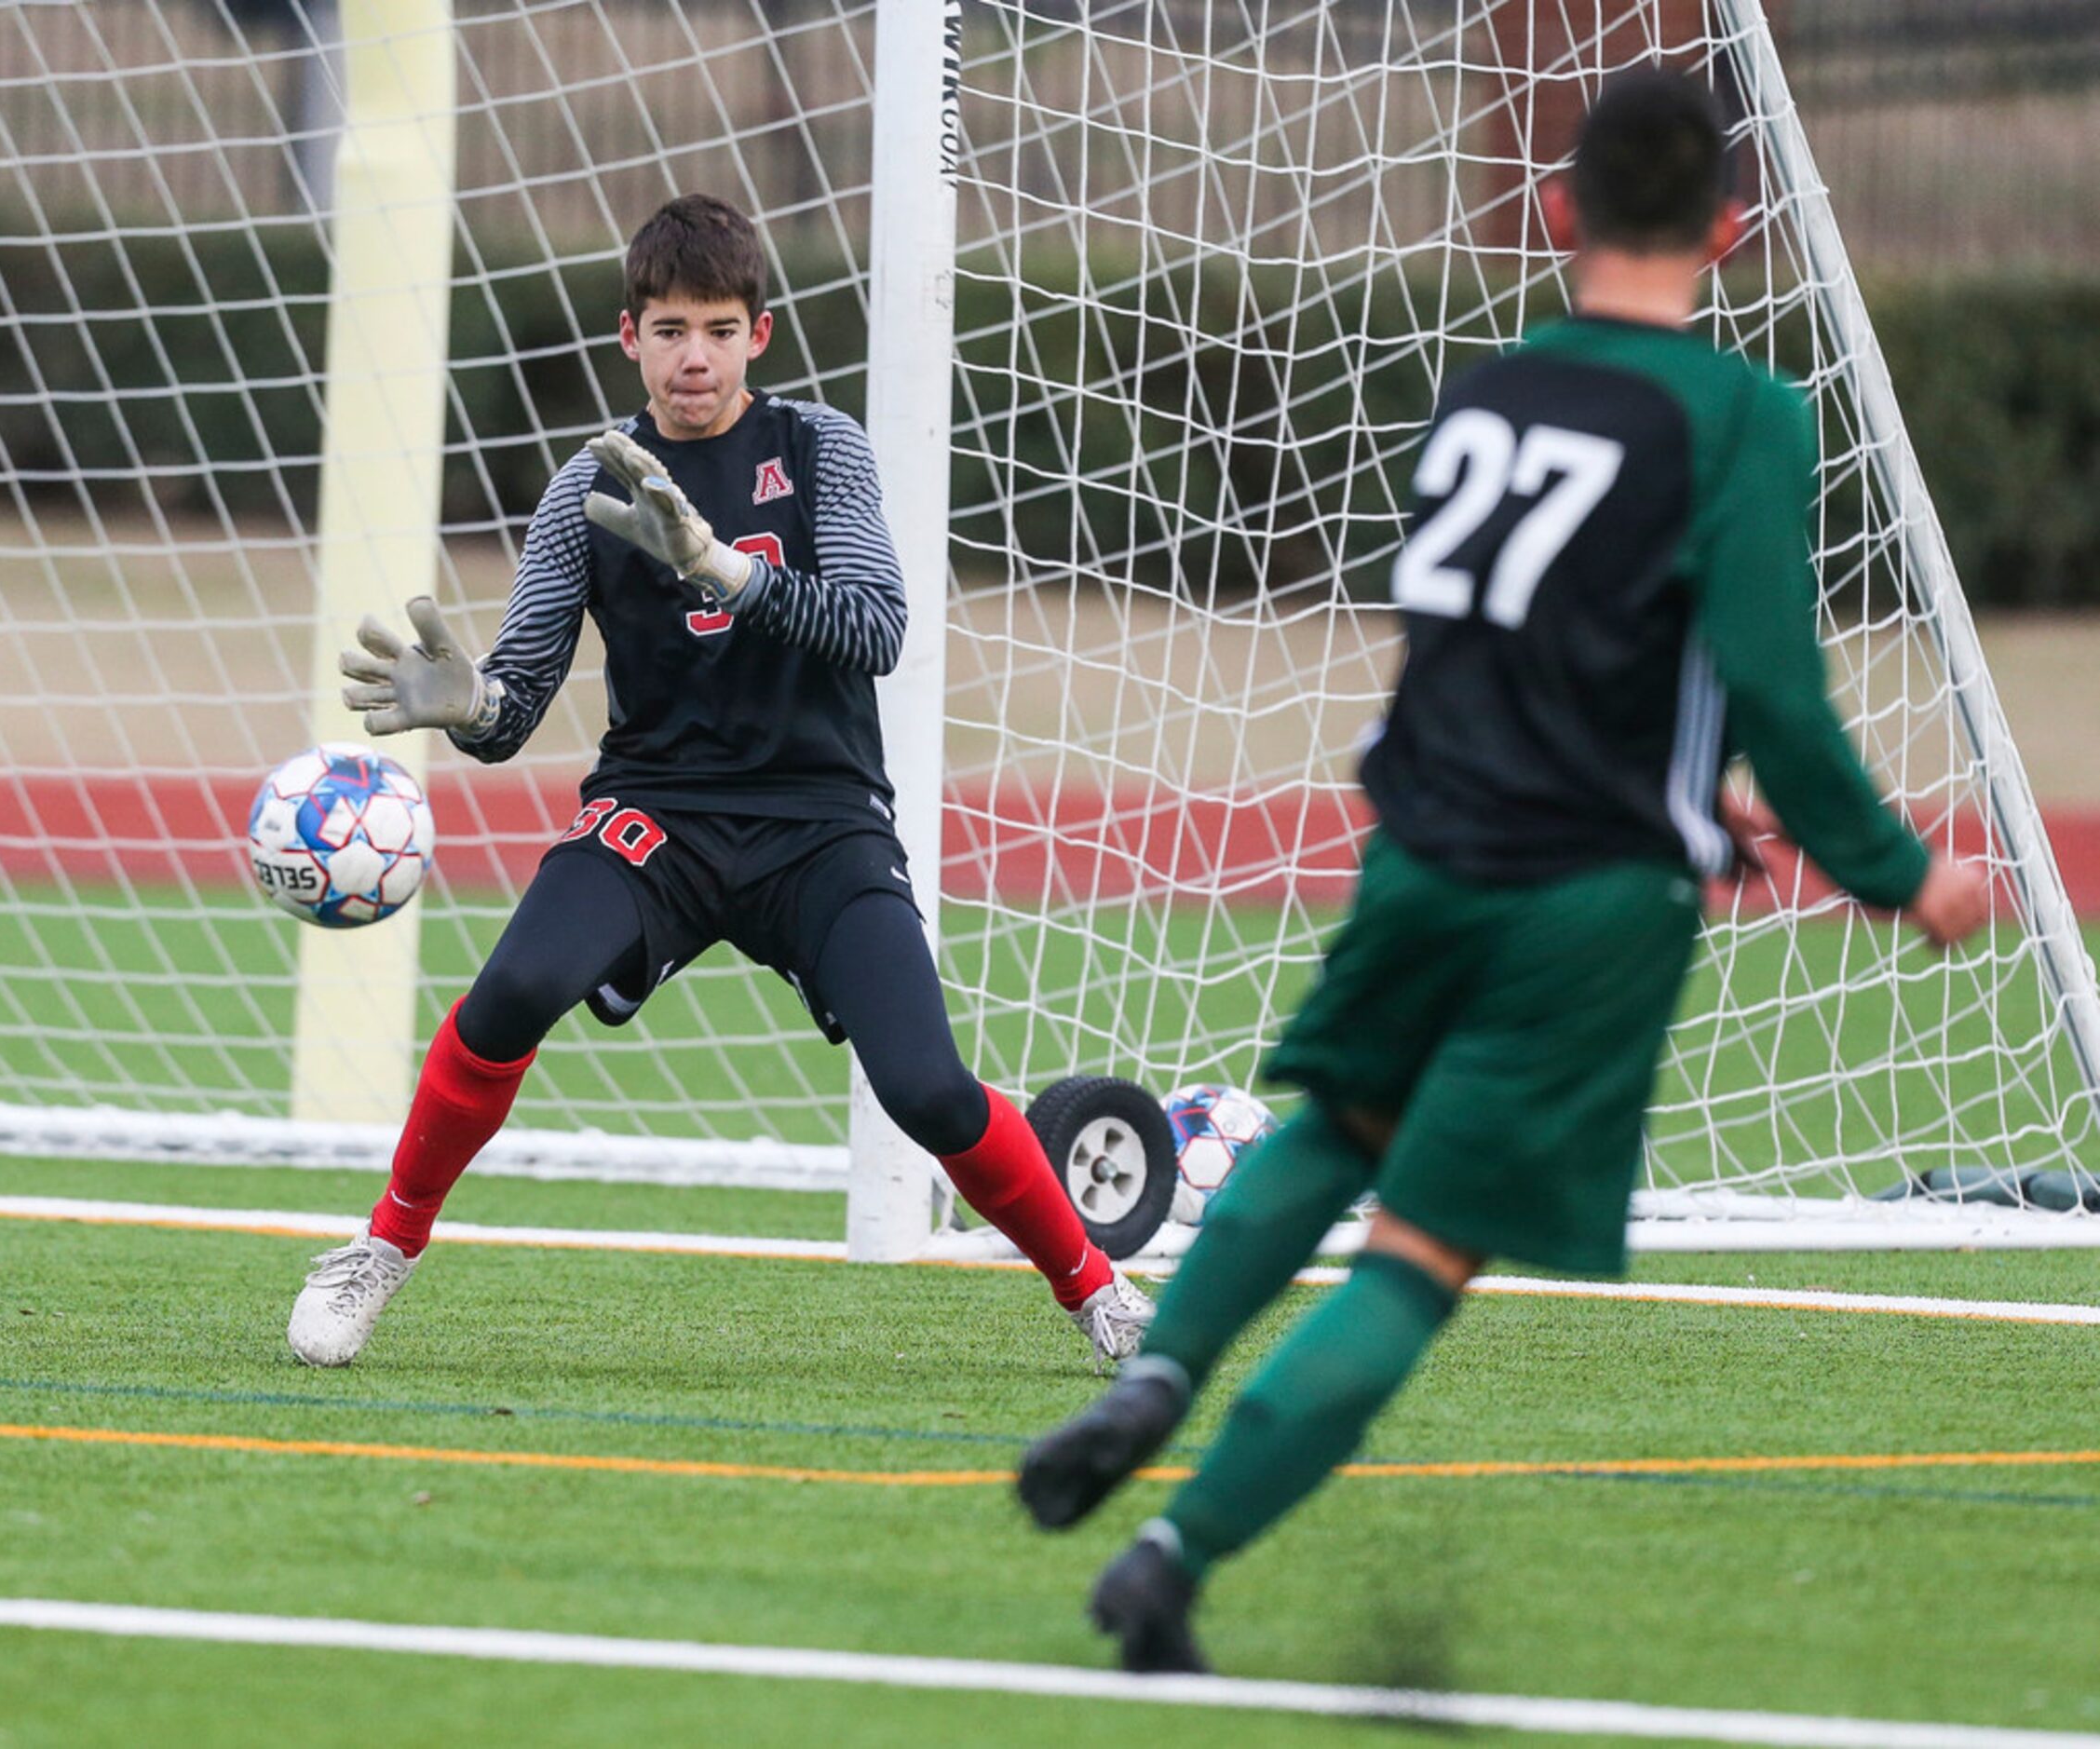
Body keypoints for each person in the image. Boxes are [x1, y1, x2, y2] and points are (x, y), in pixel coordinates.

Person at [1013, 69, 1991, 1674]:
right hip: (1583, 903)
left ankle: (1155, 1368)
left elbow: (1487, 640)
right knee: (1416, 1252)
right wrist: (1903, 874)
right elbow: (1775, 695)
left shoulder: (1481, 392)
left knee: (1332, 1130)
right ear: (1732, 235)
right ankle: (1173, 1554)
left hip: (1421, 851)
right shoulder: (1741, 415)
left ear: (1555, 216)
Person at [287, 194, 1151, 1371]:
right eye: (669, 328)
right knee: (510, 993)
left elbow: (876, 627)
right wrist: (473, 705)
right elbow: (519, 703)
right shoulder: (584, 489)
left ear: (760, 334)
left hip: (821, 826)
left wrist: (722, 569)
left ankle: (1095, 1286)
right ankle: (379, 1250)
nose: (693, 356)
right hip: (658, 821)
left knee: (929, 1093)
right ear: (626, 335)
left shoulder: (817, 449)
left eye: (717, 329)